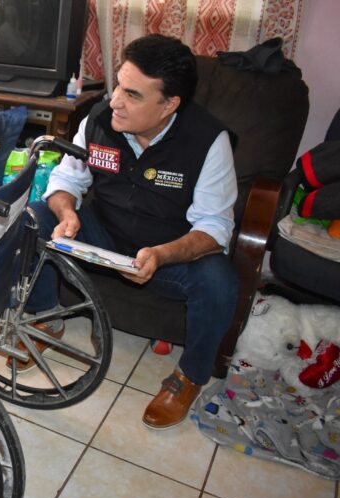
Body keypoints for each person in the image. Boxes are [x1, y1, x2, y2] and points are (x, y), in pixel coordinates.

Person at [27, 34, 238, 429]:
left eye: (134, 94)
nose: (116, 101)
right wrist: (67, 212)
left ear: (169, 104)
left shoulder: (209, 141)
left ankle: (190, 375)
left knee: (220, 280)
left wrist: (160, 255)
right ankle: (44, 315)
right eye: (118, 86)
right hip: (105, 234)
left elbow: (215, 226)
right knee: (36, 217)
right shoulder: (98, 121)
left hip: (168, 256)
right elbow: (64, 181)